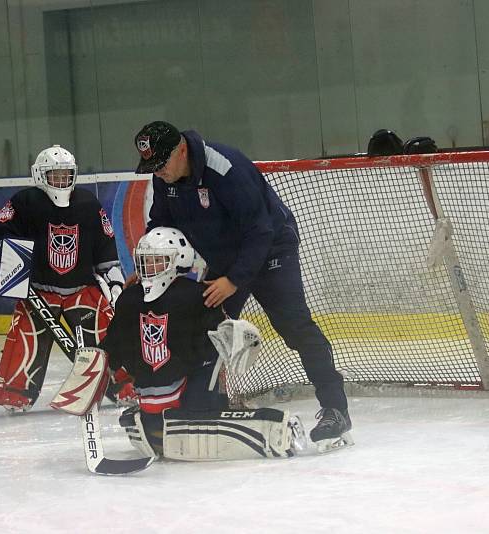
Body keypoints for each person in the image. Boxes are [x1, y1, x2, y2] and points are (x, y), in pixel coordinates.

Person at [132, 121, 353, 450]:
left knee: (294, 326)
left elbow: (261, 230)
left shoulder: (227, 168)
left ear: (181, 150)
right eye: (153, 167)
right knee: (202, 327)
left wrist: (233, 280)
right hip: (222, 258)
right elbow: (162, 223)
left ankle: (335, 409)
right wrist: (150, 261)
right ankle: (207, 403)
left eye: (161, 164)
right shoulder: (166, 176)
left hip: (271, 250)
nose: (158, 173)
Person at [84, 226, 303, 459]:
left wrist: (232, 337)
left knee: (201, 390)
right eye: (144, 261)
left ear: (178, 261)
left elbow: (215, 343)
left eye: (156, 261)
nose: (147, 268)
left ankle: (208, 408)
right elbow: (116, 341)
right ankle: (166, 419)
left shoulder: (196, 295)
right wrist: (99, 363)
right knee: (155, 419)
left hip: (190, 386)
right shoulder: (130, 298)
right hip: (151, 390)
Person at [0, 144, 131, 411]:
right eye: (55, 175)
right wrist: (4, 244)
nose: (61, 180)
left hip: (82, 288)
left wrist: (113, 279)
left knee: (107, 330)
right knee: (26, 333)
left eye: (66, 174)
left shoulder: (88, 203)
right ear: (40, 175)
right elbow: (3, 228)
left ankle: (123, 383)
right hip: (40, 290)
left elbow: (105, 243)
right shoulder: (25, 201)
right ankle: (15, 390)